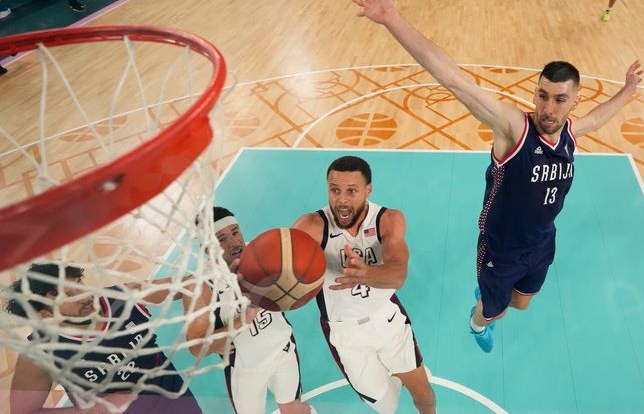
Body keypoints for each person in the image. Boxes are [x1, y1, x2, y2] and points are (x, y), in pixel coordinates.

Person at [352, 0, 643, 353]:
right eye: (542, 96)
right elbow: (453, 78)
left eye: (560, 100)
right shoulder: (513, 129)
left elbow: (597, 119)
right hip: (500, 250)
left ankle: (491, 297)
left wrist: (627, 91)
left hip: (542, 242)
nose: (548, 110)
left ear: (574, 101)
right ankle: (476, 324)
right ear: (535, 92)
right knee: (495, 311)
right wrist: (391, 17)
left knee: (521, 304)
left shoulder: (569, 130)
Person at [292, 156, 436, 414]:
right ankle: (396, 376)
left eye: (351, 191)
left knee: (424, 396)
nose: (342, 200)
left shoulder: (387, 220)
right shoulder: (311, 226)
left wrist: (365, 274)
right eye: (334, 190)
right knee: (387, 406)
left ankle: (407, 372)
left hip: (387, 320)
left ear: (368, 190)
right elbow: (283, 266)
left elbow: (398, 275)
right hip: (345, 333)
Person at [5, 263, 203, 413]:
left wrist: (201, 324)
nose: (83, 296)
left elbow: (188, 284)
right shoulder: (39, 355)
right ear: (44, 315)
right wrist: (93, 411)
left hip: (179, 404)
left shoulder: (123, 297)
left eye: (78, 284)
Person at [184, 206, 314, 414]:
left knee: (293, 409)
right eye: (221, 239)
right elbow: (196, 347)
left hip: (283, 351)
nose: (234, 242)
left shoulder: (264, 253)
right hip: (244, 370)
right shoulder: (203, 284)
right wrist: (231, 329)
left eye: (235, 232)